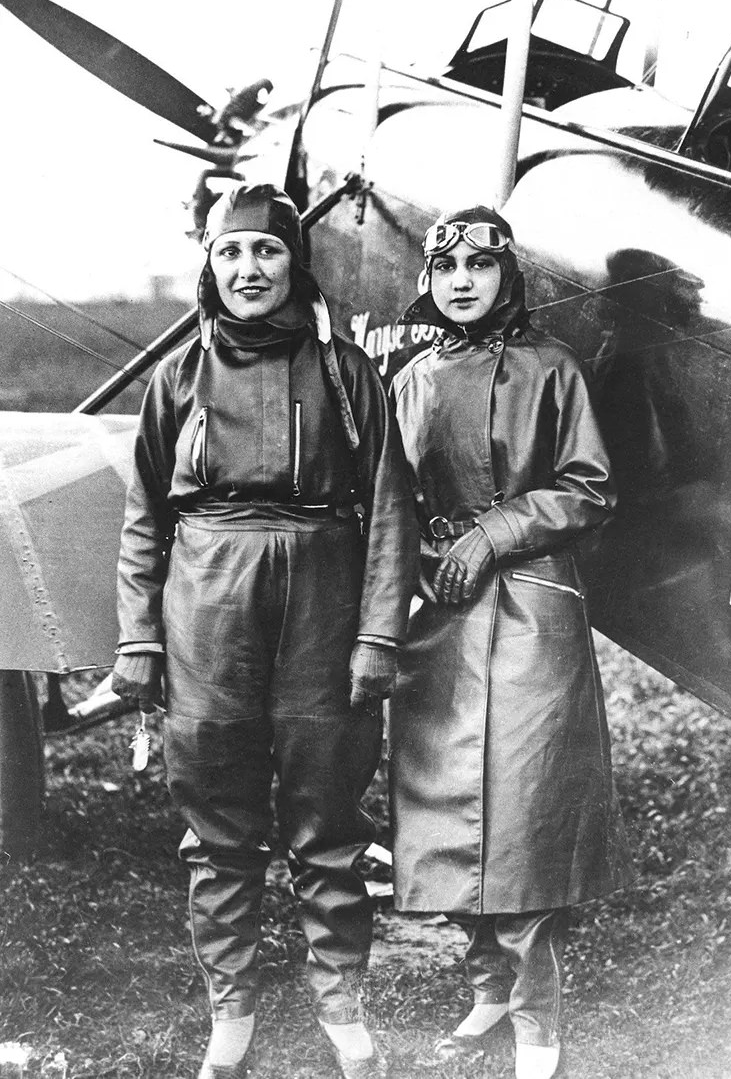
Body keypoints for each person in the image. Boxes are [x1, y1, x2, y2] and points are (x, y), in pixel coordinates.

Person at [111, 183, 417, 1079]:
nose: (250, 270)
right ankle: (231, 1013)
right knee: (218, 820)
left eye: (268, 252)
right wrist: (140, 639)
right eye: (231, 253)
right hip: (208, 603)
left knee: (329, 813)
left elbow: (390, 514)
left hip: (324, 596)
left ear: (296, 264)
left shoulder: (348, 374)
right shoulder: (177, 377)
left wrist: (377, 637)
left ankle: (343, 1008)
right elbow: (143, 520)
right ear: (209, 265)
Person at [389, 205, 631, 1079]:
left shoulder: (551, 369)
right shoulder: (411, 378)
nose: (462, 281)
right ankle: (488, 980)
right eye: (445, 265)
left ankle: (537, 1017)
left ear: (509, 276)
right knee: (446, 808)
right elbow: (393, 499)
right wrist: (423, 555)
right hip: (443, 615)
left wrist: (494, 534)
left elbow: (589, 487)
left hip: (533, 608)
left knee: (522, 815)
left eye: (481, 266)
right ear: (427, 278)